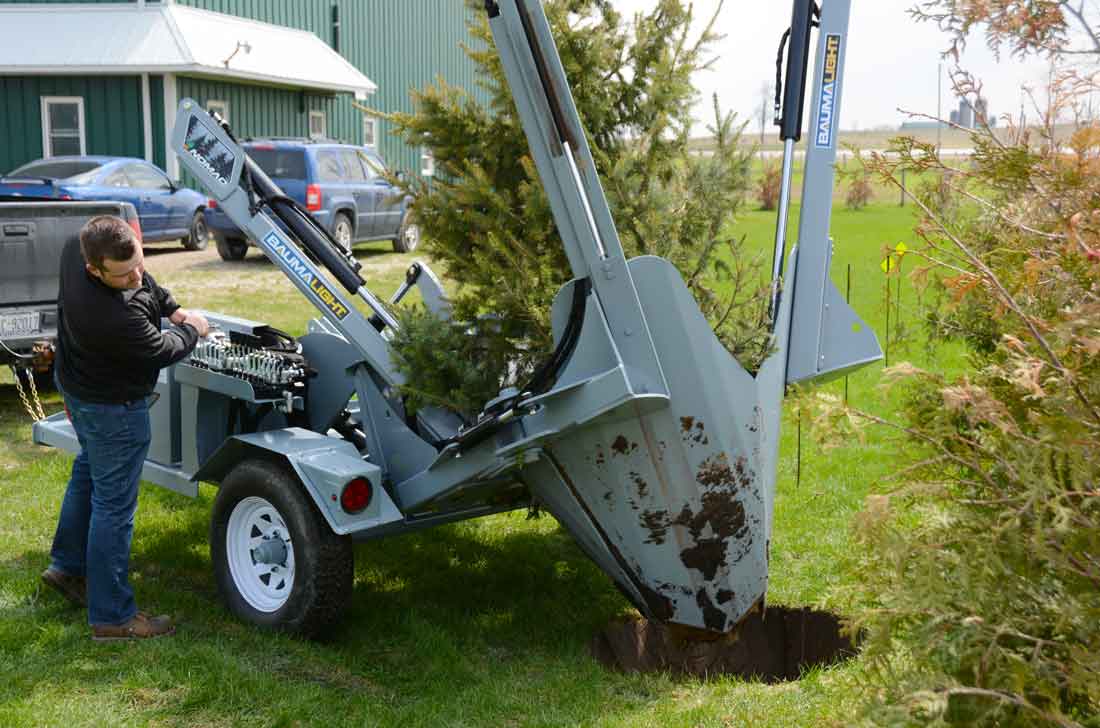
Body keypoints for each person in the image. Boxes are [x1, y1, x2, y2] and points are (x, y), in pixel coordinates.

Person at [40, 215, 210, 641]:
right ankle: (112, 616)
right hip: (111, 409)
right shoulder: (114, 319)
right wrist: (192, 327)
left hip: (77, 388)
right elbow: (161, 349)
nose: (136, 275)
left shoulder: (74, 248)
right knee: (114, 509)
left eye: (139, 262)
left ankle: (67, 567)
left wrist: (170, 306)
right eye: (124, 273)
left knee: (88, 471)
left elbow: (142, 276)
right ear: (93, 269)